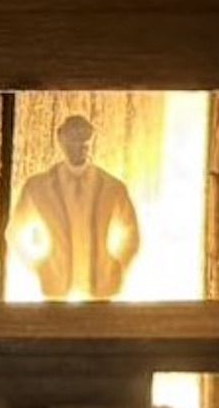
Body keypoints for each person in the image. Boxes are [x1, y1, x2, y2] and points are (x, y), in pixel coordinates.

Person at [9, 113, 142, 301]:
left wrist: (117, 267)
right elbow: (15, 232)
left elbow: (132, 234)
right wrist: (39, 267)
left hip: (102, 291)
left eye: (83, 143)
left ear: (90, 143)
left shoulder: (113, 187)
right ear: (61, 141)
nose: (77, 148)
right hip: (56, 291)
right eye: (71, 141)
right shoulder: (37, 187)